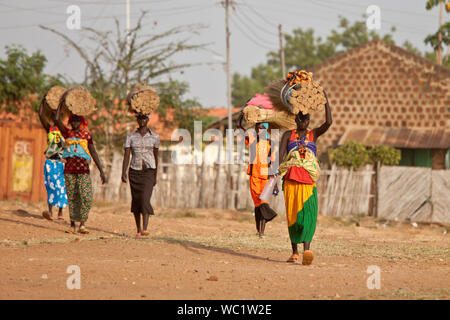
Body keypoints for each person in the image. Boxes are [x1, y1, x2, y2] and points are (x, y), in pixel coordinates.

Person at [278, 90, 332, 265]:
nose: (303, 122)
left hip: (308, 181)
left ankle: (307, 250)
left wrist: (325, 100)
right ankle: (294, 253)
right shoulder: (288, 135)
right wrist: (276, 178)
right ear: (295, 120)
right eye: (300, 119)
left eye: (306, 119)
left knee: (308, 215)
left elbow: (329, 122)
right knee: (293, 216)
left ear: (309, 120)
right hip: (291, 180)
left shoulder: (313, 134)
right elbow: (280, 158)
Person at [55, 109, 107, 234]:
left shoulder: (86, 135)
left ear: (82, 122)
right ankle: (73, 224)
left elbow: (93, 152)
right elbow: (57, 120)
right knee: (73, 197)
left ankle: (83, 223)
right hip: (69, 171)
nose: (75, 123)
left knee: (86, 197)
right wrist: (61, 104)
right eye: (73, 120)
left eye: (78, 120)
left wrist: (101, 171)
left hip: (83, 170)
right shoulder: (67, 133)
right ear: (70, 122)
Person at [237, 115, 278, 237]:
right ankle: (259, 231)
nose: (259, 130)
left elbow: (274, 164)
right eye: (258, 128)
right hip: (254, 177)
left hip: (266, 178)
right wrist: (242, 114)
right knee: (257, 204)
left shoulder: (271, 144)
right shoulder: (252, 141)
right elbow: (239, 128)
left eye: (262, 128)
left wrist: (275, 185)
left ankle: (263, 229)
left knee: (263, 202)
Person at [121, 113, 160, 237]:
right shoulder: (130, 137)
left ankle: (145, 228)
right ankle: (138, 229)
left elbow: (156, 156)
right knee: (136, 200)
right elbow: (127, 155)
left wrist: (156, 175)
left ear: (148, 120)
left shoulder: (155, 137)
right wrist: (123, 172)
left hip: (149, 171)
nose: (142, 120)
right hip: (134, 171)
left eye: (144, 118)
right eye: (140, 118)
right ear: (137, 120)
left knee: (145, 198)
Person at [38, 100, 68, 220]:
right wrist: (44, 100)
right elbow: (40, 115)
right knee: (51, 185)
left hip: (61, 162)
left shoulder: (66, 131)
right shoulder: (49, 129)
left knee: (62, 186)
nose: (57, 118)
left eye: (60, 116)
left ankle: (60, 212)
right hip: (50, 161)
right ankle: (50, 212)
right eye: (56, 116)